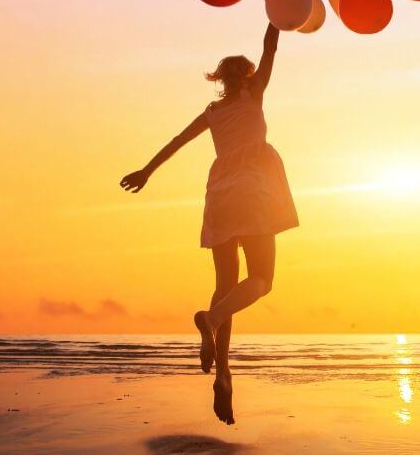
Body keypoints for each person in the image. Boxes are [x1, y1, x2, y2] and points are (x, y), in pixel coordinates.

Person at [120, 23, 298, 425]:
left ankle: (223, 374)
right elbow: (271, 45)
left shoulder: (213, 112)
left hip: (220, 193)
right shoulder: (254, 95)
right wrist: (276, 12)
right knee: (262, 279)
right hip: (253, 191)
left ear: (220, 80)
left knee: (225, 286)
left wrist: (147, 171)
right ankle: (211, 320)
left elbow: (177, 141)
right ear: (248, 76)